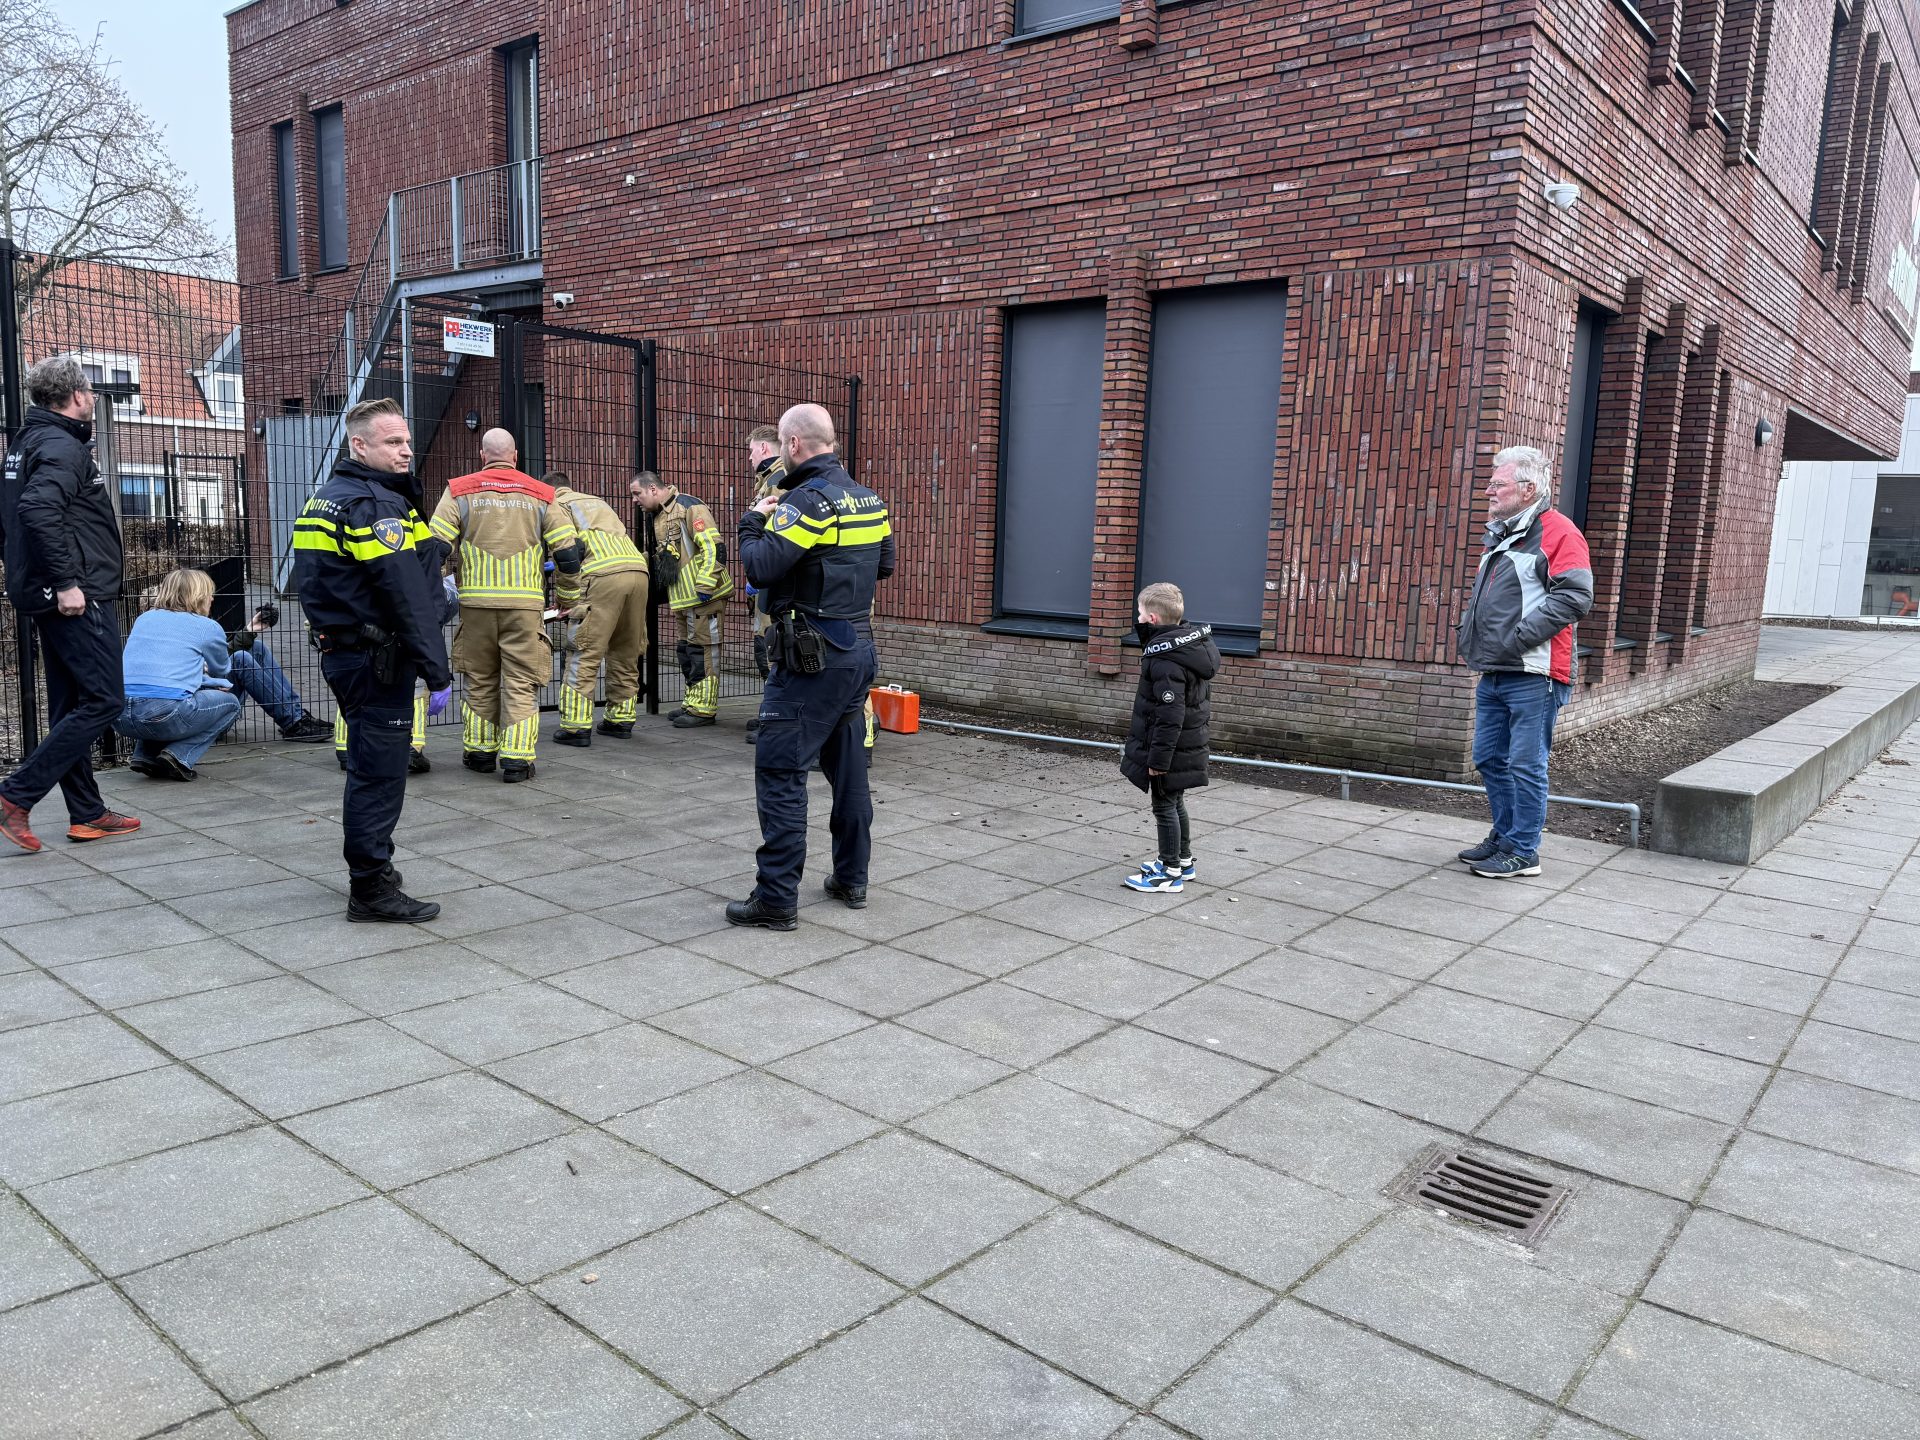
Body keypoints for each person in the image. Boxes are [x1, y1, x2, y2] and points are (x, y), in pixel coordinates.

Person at [725, 403, 892, 930]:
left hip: (810, 656)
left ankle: (775, 899)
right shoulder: (869, 498)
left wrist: (755, 521)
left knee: (779, 771)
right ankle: (852, 877)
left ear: (793, 444)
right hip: (858, 651)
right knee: (849, 771)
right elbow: (883, 565)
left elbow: (762, 565)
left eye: (779, 442)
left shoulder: (808, 500)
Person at [293, 397, 453, 923]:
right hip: (376, 657)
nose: (406, 450)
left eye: (406, 440)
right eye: (392, 442)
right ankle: (371, 887)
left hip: (348, 652)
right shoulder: (373, 505)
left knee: (369, 764)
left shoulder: (328, 499)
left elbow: (419, 562)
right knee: (379, 774)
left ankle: (375, 871)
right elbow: (404, 593)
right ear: (359, 445)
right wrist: (437, 668)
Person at [0, 355, 140, 852]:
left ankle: (87, 813)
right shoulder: (63, 446)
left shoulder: (26, 442)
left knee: (70, 704)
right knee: (104, 699)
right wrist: (66, 583)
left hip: (42, 591)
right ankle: (15, 795)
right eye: (91, 392)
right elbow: (38, 510)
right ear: (79, 396)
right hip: (76, 595)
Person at [1455, 444, 1593, 879]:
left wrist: (1519, 639)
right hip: (1497, 669)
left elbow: (1574, 596)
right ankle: (1505, 834)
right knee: (1488, 758)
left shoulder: (1559, 532)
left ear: (1528, 488)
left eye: (1498, 483)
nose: (1489, 491)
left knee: (1525, 763)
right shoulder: (1503, 532)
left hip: (1534, 672)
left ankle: (1524, 850)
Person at [429, 428, 581, 781]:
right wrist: (568, 597)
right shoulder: (542, 494)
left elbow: (435, 548)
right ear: (515, 457)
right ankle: (516, 760)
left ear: (482, 456)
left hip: (475, 605)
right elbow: (568, 555)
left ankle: (480, 753)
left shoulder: (458, 490)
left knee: (480, 678)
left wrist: (434, 595)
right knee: (520, 680)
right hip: (525, 607)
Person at [117, 572, 331, 779]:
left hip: (121, 715)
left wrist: (248, 631)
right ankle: (178, 756)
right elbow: (221, 670)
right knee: (230, 701)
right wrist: (216, 682)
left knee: (254, 649)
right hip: (168, 715)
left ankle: (143, 755)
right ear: (197, 596)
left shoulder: (145, 619)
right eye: (209, 593)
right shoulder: (206, 626)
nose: (212, 598)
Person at [1119, 583, 1219, 893]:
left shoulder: (1165, 659)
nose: (1136, 616)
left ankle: (1169, 872)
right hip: (1185, 746)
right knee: (1175, 802)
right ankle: (1183, 862)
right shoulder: (1187, 646)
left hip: (1170, 750)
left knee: (1164, 806)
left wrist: (1158, 761)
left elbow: (1169, 716)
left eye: (1139, 612)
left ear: (1151, 618)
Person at [546, 470, 649, 746]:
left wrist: (565, 595)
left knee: (584, 650)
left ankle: (575, 727)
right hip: (638, 571)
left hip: (600, 575)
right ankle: (620, 720)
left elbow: (568, 549)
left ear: (549, 491)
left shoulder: (553, 505)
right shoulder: (597, 501)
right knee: (626, 649)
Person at [630, 470, 733, 728]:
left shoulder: (689, 506)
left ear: (653, 489)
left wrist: (706, 583)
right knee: (687, 651)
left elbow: (714, 547)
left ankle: (704, 708)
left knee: (704, 651)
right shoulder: (660, 515)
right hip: (684, 598)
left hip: (704, 596)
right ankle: (693, 702)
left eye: (637, 493)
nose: (635, 500)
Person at [743, 424, 786, 742]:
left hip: (777, 584)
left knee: (773, 651)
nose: (748, 458)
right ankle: (772, 715)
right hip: (768, 583)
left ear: (764, 450)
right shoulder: (768, 481)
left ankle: (778, 721)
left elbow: (777, 536)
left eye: (751, 450)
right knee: (768, 649)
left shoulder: (778, 481)